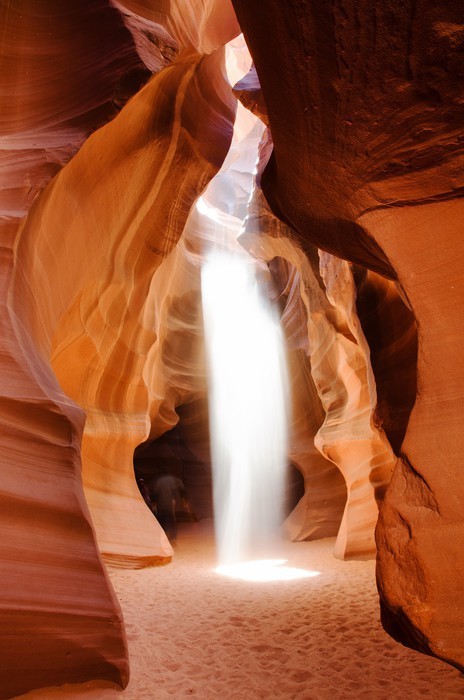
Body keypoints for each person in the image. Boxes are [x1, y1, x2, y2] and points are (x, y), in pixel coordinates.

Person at [151, 469, 186, 544]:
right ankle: (173, 539)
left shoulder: (159, 481)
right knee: (171, 522)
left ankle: (164, 539)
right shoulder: (173, 479)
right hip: (170, 504)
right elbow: (181, 489)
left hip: (161, 504)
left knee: (162, 522)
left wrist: (154, 503)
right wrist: (180, 500)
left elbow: (155, 493)